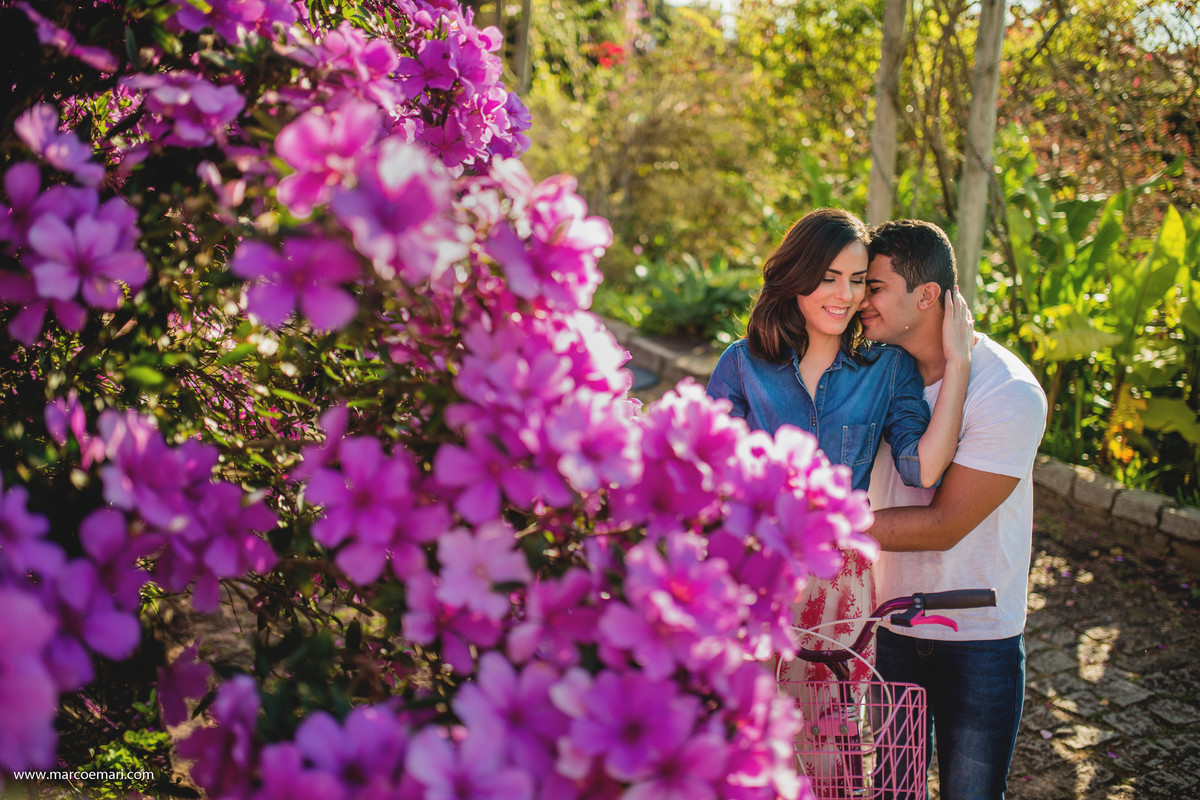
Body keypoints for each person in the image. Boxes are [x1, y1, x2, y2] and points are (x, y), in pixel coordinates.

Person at [705, 208, 973, 683]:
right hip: (751, 573)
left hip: (837, 586)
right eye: (829, 278)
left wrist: (959, 364)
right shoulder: (742, 364)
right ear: (797, 277)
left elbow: (924, 469)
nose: (846, 296)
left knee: (830, 746)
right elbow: (709, 475)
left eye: (858, 280)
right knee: (745, 734)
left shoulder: (887, 370)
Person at [860, 219, 1047, 800]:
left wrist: (816, 526)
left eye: (874, 287)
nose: (858, 301)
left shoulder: (1008, 391)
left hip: (978, 640)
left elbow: (943, 526)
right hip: (889, 627)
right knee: (893, 791)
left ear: (927, 295)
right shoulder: (873, 374)